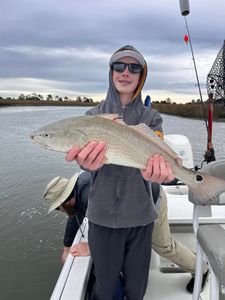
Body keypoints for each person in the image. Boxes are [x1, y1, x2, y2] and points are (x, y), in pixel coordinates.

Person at [65, 44, 174, 300]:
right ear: (111, 71)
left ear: (141, 75)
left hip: (141, 217)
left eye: (134, 67)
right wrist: (86, 164)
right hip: (102, 218)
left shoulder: (151, 118)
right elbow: (84, 161)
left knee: (136, 288)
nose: (126, 72)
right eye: (119, 66)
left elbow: (160, 161)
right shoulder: (92, 116)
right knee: (105, 286)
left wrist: (162, 173)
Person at [44, 172, 208, 294]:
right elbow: (74, 217)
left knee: (163, 245)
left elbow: (116, 231)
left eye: (59, 208)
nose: (61, 211)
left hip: (151, 200)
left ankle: (200, 269)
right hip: (133, 203)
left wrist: (92, 249)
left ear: (66, 201)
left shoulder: (89, 196)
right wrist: (66, 247)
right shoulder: (79, 191)